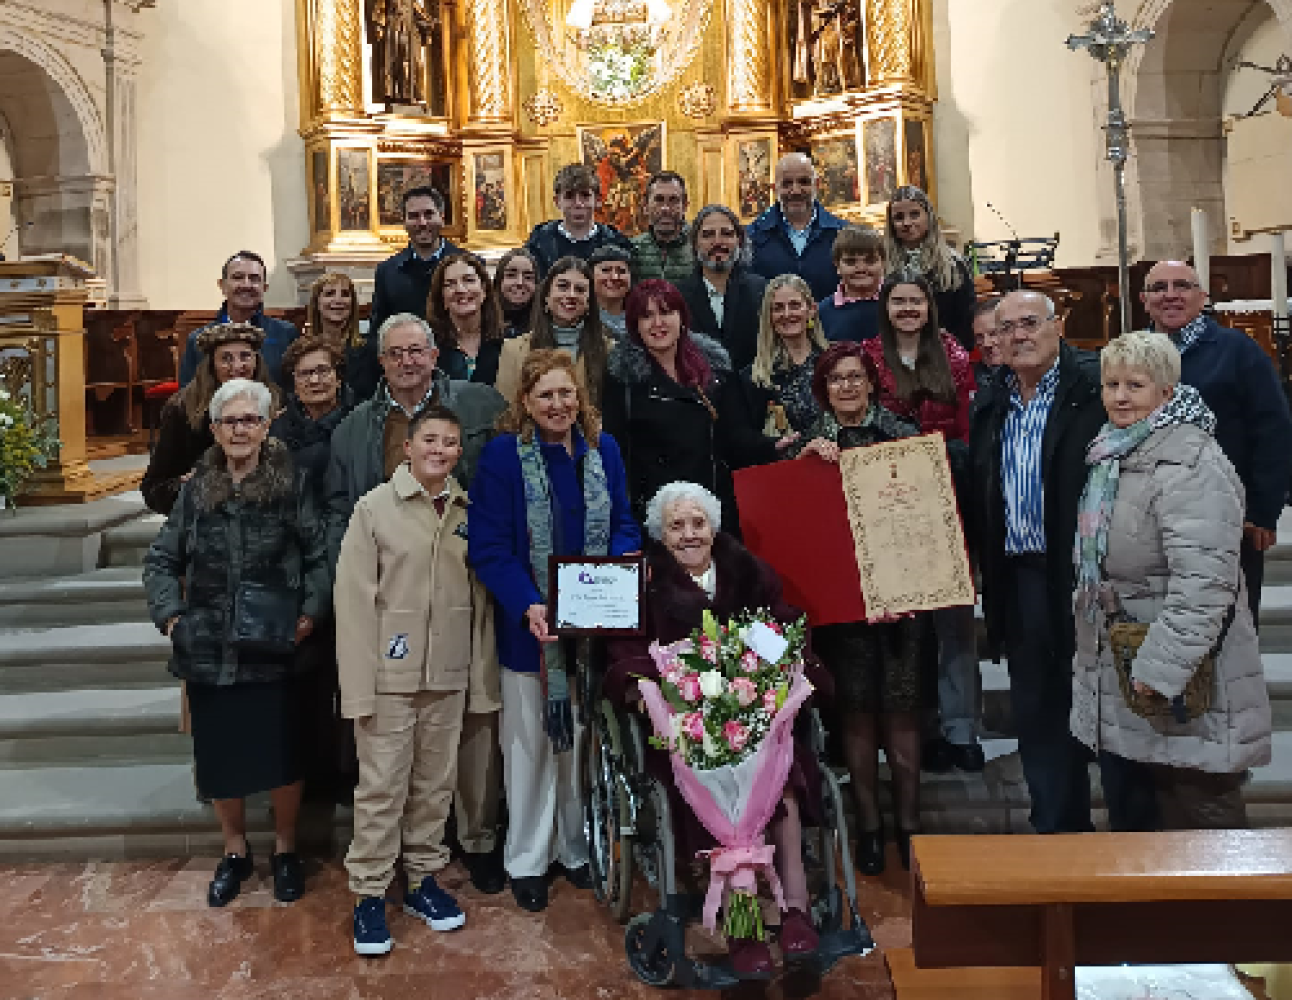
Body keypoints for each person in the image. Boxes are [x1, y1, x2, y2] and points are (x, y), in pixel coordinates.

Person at [603, 482, 821, 978]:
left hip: (753, 715)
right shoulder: (647, 583)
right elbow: (628, 651)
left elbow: (776, 631)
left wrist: (776, 671)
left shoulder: (746, 574)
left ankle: (795, 912)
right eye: (676, 526)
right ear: (662, 533)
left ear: (713, 526)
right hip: (684, 727)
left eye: (697, 523)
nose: (688, 535)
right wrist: (650, 692)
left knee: (781, 787)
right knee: (720, 797)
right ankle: (743, 929)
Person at [327, 313, 506, 894]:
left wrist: (478, 682)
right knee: (381, 786)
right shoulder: (373, 510)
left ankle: (425, 877)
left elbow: (477, 607)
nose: (441, 450)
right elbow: (354, 606)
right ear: (407, 448)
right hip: (388, 674)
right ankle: (371, 890)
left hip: (449, 674)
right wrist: (355, 689)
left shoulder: (467, 513)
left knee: (434, 785)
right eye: (429, 440)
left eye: (450, 442)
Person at [1070, 330, 1271, 834]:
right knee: (1149, 815)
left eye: (1134, 385)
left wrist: (1160, 669)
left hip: (1183, 667)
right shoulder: (1112, 453)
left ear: (1166, 391)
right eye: (1111, 383)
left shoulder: (1190, 463)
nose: (1119, 396)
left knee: (1202, 811)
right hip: (1130, 654)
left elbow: (1206, 584)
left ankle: (1231, 915)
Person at [143, 378, 329, 907]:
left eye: (250, 420)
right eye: (230, 421)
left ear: (268, 425)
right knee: (220, 757)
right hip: (208, 644)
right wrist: (171, 618)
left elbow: (320, 556)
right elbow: (162, 560)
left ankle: (286, 850)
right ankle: (235, 850)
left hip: (274, 643)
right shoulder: (196, 488)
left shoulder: (291, 481)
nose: (240, 429)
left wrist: (309, 615)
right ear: (215, 428)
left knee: (281, 755)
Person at [467, 350, 641, 913]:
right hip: (532, 630)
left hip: (591, 628)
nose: (558, 404)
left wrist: (618, 566)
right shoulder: (502, 457)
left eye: (567, 393)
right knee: (530, 750)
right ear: (525, 402)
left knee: (581, 747)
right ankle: (527, 860)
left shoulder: (603, 450)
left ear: (580, 398)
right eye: (546, 395)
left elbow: (622, 523)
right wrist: (529, 605)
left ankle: (574, 848)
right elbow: (489, 549)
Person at [790, 343, 930, 873]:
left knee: (902, 716)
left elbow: (925, 520)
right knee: (856, 718)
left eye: (855, 377)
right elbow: (794, 526)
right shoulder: (807, 444)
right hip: (839, 605)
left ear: (872, 382)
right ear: (823, 389)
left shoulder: (903, 435)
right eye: (835, 380)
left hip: (901, 599)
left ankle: (910, 827)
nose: (846, 387)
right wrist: (803, 466)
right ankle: (869, 827)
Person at [969, 289, 1104, 834]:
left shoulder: (1093, 389)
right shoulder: (992, 400)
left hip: (1083, 576)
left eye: (1030, 323)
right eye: (1006, 329)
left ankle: (1135, 844)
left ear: (1057, 326)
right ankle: (1057, 828)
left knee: (1095, 701)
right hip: (1019, 576)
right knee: (1037, 707)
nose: (1018, 335)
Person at [864, 272, 981, 773]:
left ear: (930, 307)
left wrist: (942, 455)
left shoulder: (954, 355)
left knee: (954, 627)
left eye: (916, 301)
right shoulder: (867, 356)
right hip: (888, 506)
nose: (908, 309)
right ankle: (920, 731)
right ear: (886, 309)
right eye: (899, 301)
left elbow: (970, 428)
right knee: (907, 634)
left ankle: (961, 732)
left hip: (946, 502)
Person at [1140, 260, 1292, 624]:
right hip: (1150, 519)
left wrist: (1262, 510)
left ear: (1202, 297)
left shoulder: (1237, 350)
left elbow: (1272, 429)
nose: (1171, 295)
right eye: (1160, 288)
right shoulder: (1132, 354)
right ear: (1144, 299)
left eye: (1183, 286)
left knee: (1227, 628)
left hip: (1227, 518)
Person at [270, 335, 357, 801]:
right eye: (306, 373)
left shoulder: (359, 423)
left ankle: (348, 772)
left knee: (352, 673)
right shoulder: (279, 435)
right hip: (301, 562)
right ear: (293, 383)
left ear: (338, 376)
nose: (316, 380)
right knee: (310, 673)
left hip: (354, 555)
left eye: (324, 370)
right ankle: (311, 775)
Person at [603, 280, 740, 529]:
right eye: (646, 316)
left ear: (682, 317)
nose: (658, 324)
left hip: (712, 508)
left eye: (666, 312)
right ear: (635, 325)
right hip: (655, 515)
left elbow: (737, 436)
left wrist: (777, 447)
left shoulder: (715, 369)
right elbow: (615, 454)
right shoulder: (621, 379)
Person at [144, 323, 277, 516]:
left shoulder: (276, 401)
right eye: (226, 359)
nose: (237, 366)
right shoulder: (182, 409)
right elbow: (155, 488)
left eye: (245, 356)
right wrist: (186, 488)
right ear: (211, 364)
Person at [725, 274, 827, 469]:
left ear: (812, 310)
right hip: (783, 475)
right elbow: (737, 438)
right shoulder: (751, 378)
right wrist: (773, 445)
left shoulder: (835, 362)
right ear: (768, 316)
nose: (787, 314)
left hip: (835, 467)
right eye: (778, 308)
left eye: (795, 305)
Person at [496, 257, 614, 408]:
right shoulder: (513, 350)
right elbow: (507, 411)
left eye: (580, 289)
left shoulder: (608, 350)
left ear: (589, 302)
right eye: (563, 286)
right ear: (546, 296)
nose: (571, 295)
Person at [178, 251, 299, 387]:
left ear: (264, 288)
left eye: (254, 279)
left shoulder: (286, 333)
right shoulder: (197, 340)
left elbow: (294, 389)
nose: (246, 285)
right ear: (222, 286)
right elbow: (187, 396)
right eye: (238, 277)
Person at [674, 204, 768, 374]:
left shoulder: (762, 291)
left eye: (727, 234)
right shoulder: (677, 297)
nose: (718, 242)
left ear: (739, 240)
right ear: (695, 244)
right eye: (708, 235)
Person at [885, 186, 977, 352]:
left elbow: (966, 319)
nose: (907, 223)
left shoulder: (953, 263)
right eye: (899, 217)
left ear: (928, 217)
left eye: (914, 214)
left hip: (945, 354)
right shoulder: (883, 264)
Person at [749, 153, 847, 303]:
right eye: (787, 183)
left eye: (804, 182)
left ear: (817, 185)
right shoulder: (752, 237)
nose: (795, 191)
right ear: (775, 188)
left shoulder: (843, 234)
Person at [369, 186, 462, 337]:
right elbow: (379, 331)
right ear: (404, 222)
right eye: (413, 216)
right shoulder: (387, 272)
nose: (422, 222)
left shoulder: (471, 265)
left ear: (442, 218)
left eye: (429, 214)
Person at [523, 163, 633, 277]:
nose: (578, 204)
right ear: (557, 201)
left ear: (598, 200)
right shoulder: (539, 242)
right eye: (569, 196)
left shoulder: (616, 242)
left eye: (585, 195)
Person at [427, 253, 506, 386]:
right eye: (450, 284)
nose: (460, 289)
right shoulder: (428, 346)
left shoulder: (508, 343)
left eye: (469, 280)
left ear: (484, 290)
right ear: (442, 297)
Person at [308, 272, 380, 403]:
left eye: (345, 294)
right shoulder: (304, 351)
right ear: (316, 303)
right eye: (329, 294)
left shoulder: (372, 349)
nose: (338, 300)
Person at [816, 225, 885, 343]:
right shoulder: (823, 313)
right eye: (850, 262)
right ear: (837, 266)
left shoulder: (897, 302)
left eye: (870, 261)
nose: (861, 268)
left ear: (883, 263)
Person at [629, 171, 694, 282]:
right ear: (645, 206)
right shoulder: (632, 249)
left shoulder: (699, 248)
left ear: (684, 206)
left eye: (673, 200)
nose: (665, 208)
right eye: (659, 200)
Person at [590, 244, 633, 341]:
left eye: (621, 271)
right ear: (590, 275)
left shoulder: (641, 319)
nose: (615, 277)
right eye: (605, 270)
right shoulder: (579, 319)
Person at [493, 247, 539, 336]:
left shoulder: (546, 322)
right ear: (499, 281)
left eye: (528, 277)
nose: (520, 283)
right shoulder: (481, 320)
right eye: (511, 275)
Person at [971, 297, 1007, 391]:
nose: (986, 344)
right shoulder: (968, 380)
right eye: (980, 337)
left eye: (993, 334)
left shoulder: (1032, 379)